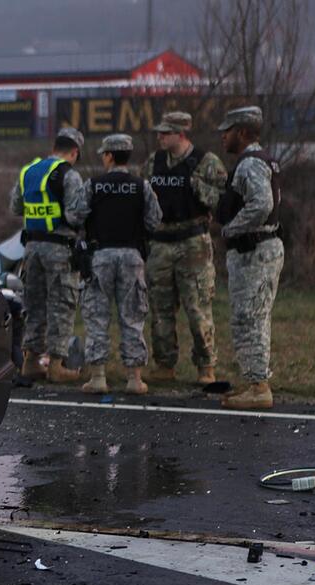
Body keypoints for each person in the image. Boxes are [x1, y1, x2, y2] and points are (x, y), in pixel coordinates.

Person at [143, 111, 227, 385]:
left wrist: (197, 187)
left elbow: (223, 201)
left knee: (197, 308)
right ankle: (164, 364)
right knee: (160, 309)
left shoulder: (205, 162)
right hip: (160, 242)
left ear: (181, 134)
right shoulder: (153, 162)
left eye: (165, 133)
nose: (160, 137)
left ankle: (206, 366)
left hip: (193, 243)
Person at [77, 134, 162, 395]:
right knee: (133, 315)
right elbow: (154, 220)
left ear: (110, 156)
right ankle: (134, 379)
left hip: (100, 256)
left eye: (104, 154)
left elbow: (76, 214)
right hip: (131, 256)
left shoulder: (93, 185)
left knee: (96, 316)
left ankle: (98, 377)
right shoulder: (141, 186)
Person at [215, 105, 283, 410]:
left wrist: (231, 229)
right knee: (252, 316)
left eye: (227, 131)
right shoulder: (260, 159)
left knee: (250, 317)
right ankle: (255, 381)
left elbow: (261, 204)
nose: (223, 137)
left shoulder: (249, 164)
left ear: (242, 132)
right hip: (259, 249)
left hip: (254, 250)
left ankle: (259, 387)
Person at [9, 126, 88, 383]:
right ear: (74, 152)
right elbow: (76, 214)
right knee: (61, 305)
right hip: (59, 248)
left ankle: (31, 362)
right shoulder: (69, 174)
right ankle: (56, 365)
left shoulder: (28, 171)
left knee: (34, 304)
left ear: (54, 148)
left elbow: (15, 207)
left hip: (31, 248)